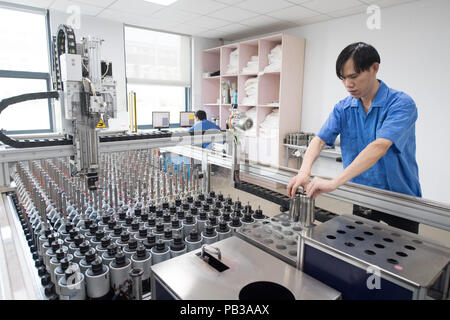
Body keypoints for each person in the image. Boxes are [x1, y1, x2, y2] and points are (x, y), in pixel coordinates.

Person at [287, 42, 421, 233]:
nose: (348, 84)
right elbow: (319, 140)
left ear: (374, 68)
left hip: (399, 198)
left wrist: (333, 183)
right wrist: (303, 171)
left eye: (354, 76)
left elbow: (379, 147)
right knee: (360, 249)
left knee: (400, 257)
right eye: (343, 78)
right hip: (362, 194)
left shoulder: (400, 104)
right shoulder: (344, 108)